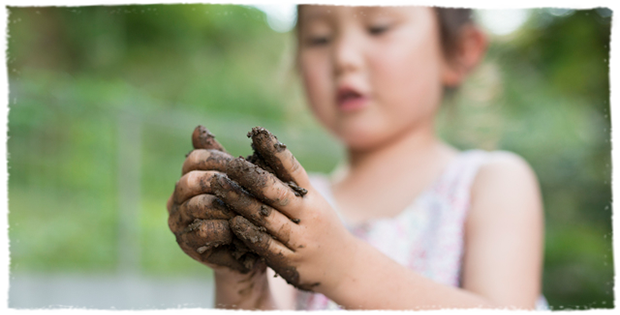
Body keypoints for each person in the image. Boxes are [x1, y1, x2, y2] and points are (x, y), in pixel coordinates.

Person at [166, 0, 554, 314]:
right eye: (319, 38)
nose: (344, 58)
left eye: (378, 27)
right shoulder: (298, 198)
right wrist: (239, 276)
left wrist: (342, 266)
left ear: (459, 51)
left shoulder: (492, 182)